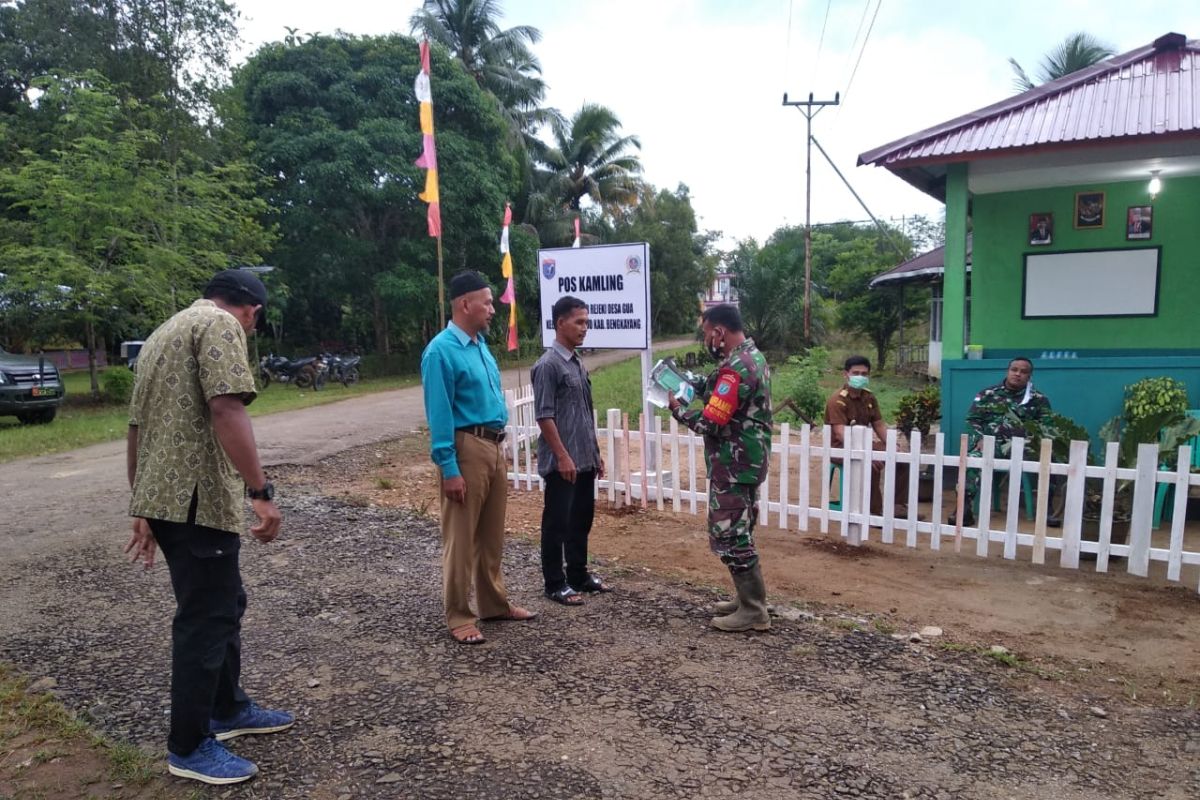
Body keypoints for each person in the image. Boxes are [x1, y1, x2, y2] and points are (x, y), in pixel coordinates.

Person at [123, 269, 290, 786]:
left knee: (224, 603)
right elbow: (227, 407)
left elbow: (137, 427)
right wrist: (261, 493)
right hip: (197, 500)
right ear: (249, 309)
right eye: (255, 320)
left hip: (167, 499)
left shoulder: (162, 333)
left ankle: (228, 708)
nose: (252, 328)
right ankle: (190, 745)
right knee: (206, 618)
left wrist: (141, 503)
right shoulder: (219, 326)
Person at [420, 270, 537, 645]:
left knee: (490, 534)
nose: (492, 309)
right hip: (466, 447)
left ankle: (493, 604)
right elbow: (439, 414)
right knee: (460, 536)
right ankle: (459, 615)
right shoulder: (440, 351)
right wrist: (449, 468)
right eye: (486, 302)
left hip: (493, 446)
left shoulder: (480, 343)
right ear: (464, 304)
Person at [669, 305, 772, 632]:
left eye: (706, 333)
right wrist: (687, 382)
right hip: (744, 461)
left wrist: (679, 411)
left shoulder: (736, 368)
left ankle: (754, 610)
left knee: (731, 532)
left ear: (719, 332)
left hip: (734, 462)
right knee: (739, 527)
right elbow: (717, 390)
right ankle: (747, 599)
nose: (706, 339)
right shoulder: (749, 358)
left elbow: (712, 421)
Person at [531, 295, 610, 606]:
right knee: (557, 523)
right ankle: (554, 582)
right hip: (562, 462)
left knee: (581, 520)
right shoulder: (548, 365)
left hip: (584, 459)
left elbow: (584, 413)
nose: (584, 328)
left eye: (586, 322)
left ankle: (578, 574)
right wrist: (563, 455)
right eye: (579, 322)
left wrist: (595, 453)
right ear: (560, 322)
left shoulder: (577, 362)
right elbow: (544, 415)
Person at [953, 357, 1059, 527]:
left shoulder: (1038, 399)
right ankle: (963, 508)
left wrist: (1037, 442)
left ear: (1029, 376)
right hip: (992, 444)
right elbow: (972, 420)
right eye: (1014, 370)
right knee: (972, 458)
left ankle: (1046, 509)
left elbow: (1047, 427)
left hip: (1026, 446)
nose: (1018, 374)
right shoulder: (987, 395)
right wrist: (979, 438)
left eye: (1023, 372)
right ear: (1008, 371)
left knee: (1049, 460)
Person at [824, 355, 911, 517]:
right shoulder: (837, 400)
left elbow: (878, 424)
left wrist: (893, 444)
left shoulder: (868, 397)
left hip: (865, 444)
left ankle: (898, 507)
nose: (860, 377)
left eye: (864, 374)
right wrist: (866, 454)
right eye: (855, 373)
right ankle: (874, 512)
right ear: (846, 374)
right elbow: (840, 433)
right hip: (841, 448)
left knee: (903, 460)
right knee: (873, 463)